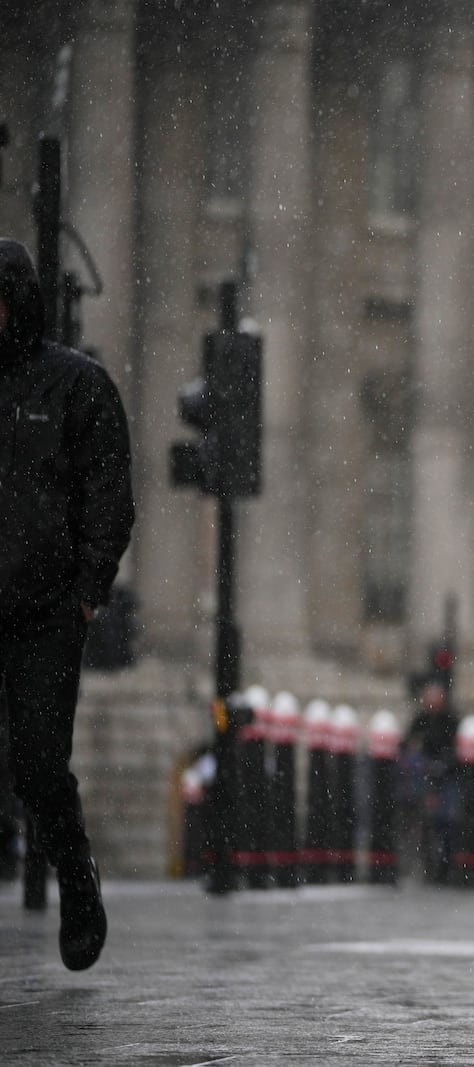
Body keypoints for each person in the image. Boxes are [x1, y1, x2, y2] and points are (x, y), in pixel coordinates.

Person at [0, 237, 135, 971]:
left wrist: (87, 592)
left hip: (48, 609)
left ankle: (76, 881)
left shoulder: (76, 386)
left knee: (39, 766)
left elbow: (110, 495)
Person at [402, 680, 461, 884]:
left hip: (446, 776)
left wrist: (442, 765)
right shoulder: (421, 720)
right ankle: (430, 867)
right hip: (426, 776)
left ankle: (444, 869)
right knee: (426, 823)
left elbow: (455, 752)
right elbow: (407, 744)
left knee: (446, 823)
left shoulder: (450, 721)